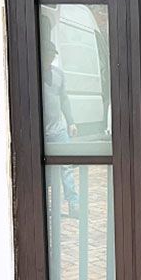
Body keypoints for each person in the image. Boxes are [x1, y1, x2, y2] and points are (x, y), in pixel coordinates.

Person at [41, 39, 80, 218]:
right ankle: (44, 207)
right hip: (41, 133)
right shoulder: (33, 74)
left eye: (52, 55)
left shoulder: (58, 74)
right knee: (44, 172)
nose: (49, 59)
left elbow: (64, 99)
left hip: (58, 130)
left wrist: (71, 122)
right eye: (47, 54)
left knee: (67, 167)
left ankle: (74, 205)